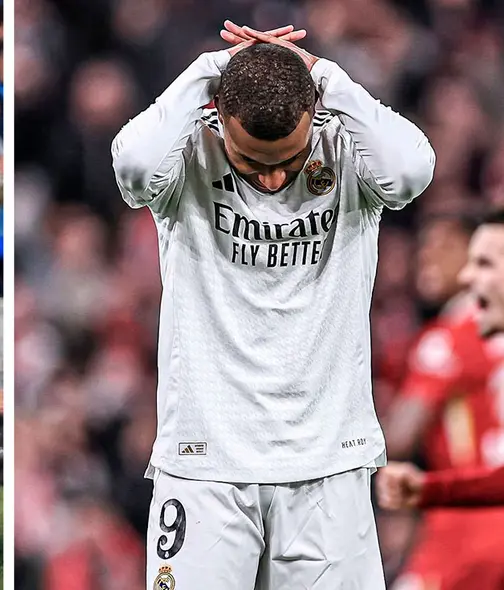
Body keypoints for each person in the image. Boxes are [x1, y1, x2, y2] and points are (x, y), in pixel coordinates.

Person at [111, 21, 435, 589]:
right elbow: (134, 168)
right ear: (217, 116)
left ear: (315, 115)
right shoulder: (189, 155)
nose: (274, 176)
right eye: (252, 162)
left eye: (289, 158)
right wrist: (211, 69)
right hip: (204, 462)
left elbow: (411, 171)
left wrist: (325, 76)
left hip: (329, 463)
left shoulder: (344, 149)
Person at [378, 210, 504, 587]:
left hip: (470, 523)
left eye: (446, 246)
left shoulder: (451, 336)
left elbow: (398, 438)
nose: (427, 255)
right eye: (424, 246)